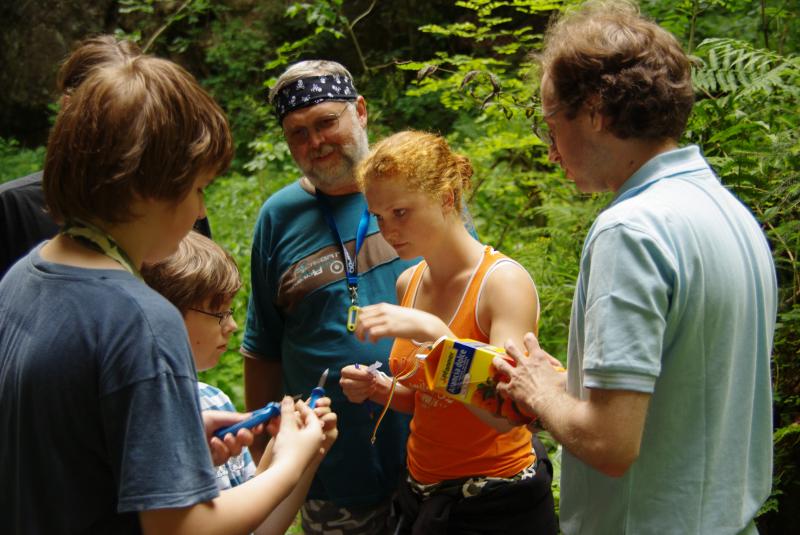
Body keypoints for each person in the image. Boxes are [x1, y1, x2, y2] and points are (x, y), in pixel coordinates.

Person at [0, 53, 331, 534]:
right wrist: (290, 461)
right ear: (148, 188)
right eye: (198, 188)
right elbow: (181, 528)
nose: (200, 211)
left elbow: (63, 447)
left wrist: (178, 443)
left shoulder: (22, 277)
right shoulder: (140, 319)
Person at [490, 2, 778, 534]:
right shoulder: (728, 212)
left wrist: (540, 390)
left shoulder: (631, 231)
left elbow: (610, 442)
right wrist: (570, 382)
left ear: (596, 109)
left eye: (551, 122)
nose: (551, 151)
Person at [338, 130, 558, 534]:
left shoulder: (502, 284)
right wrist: (379, 387)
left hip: (497, 500)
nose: (388, 231)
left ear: (446, 198)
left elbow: (506, 416)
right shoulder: (410, 281)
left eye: (401, 212)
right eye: (380, 217)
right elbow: (428, 398)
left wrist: (439, 336)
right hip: (423, 492)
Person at [241, 59, 417, 534]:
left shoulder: (417, 187)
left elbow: (472, 292)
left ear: (360, 111)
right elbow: (262, 350)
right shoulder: (278, 218)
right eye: (298, 133)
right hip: (334, 476)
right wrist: (267, 458)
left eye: (325, 122)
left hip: (431, 461)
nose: (315, 142)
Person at [142, 230, 338, 532]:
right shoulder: (140, 427)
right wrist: (289, 464)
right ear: (164, 316)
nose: (232, 325)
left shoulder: (213, 401)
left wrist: (305, 456)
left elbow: (258, 528)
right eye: (218, 312)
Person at [0, 34, 210, 280]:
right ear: (69, 108)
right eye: (106, 107)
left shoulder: (175, 201)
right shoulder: (12, 208)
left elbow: (203, 291)